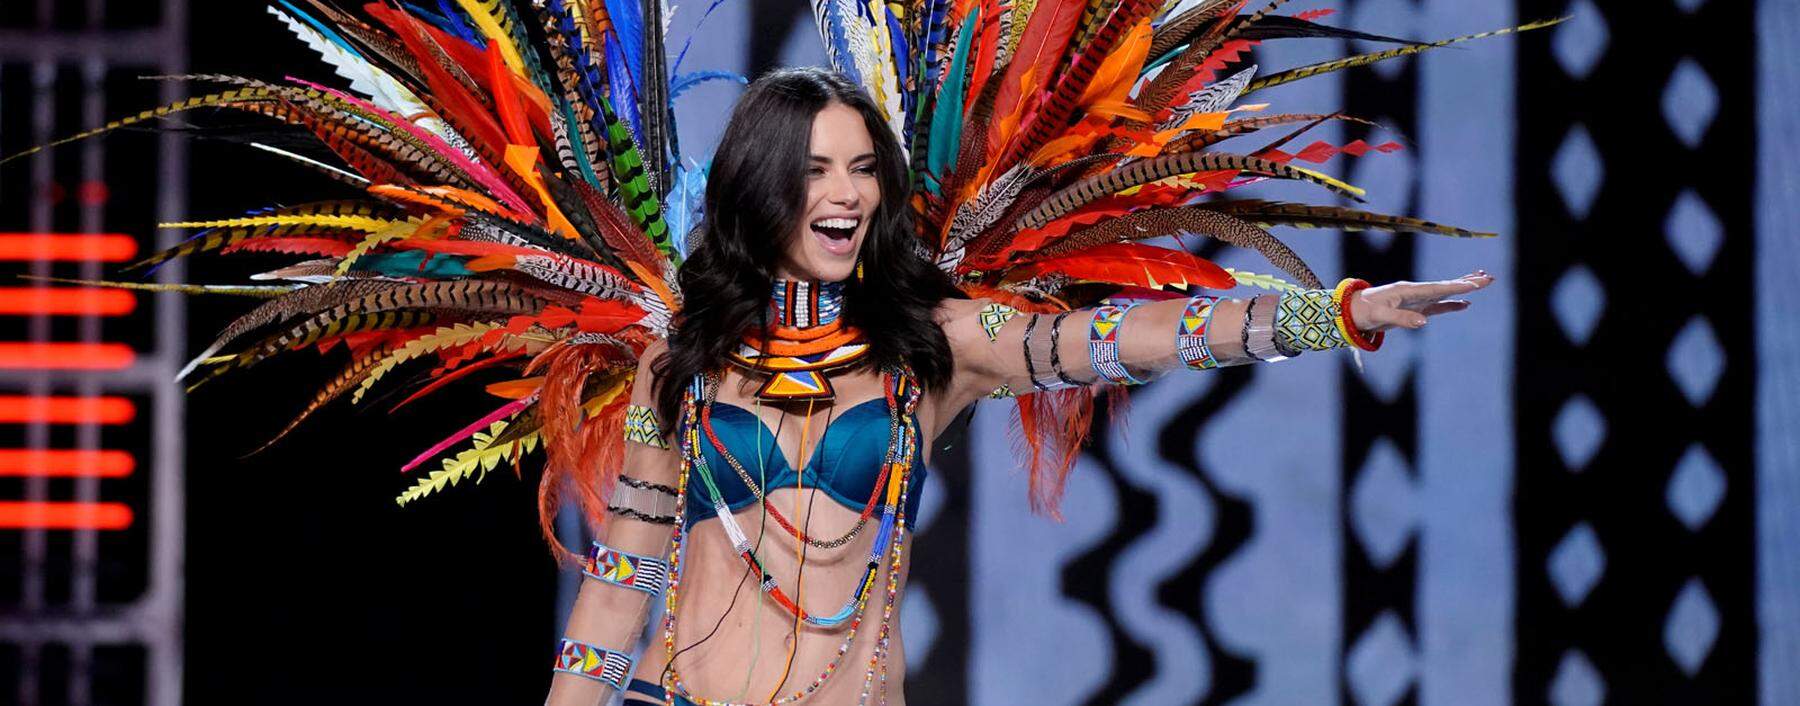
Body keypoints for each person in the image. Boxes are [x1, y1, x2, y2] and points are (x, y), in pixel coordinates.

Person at [544, 67, 1490, 706]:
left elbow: (1125, 338)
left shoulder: (935, 346)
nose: (847, 194)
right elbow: (618, 587)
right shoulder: (681, 368)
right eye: (816, 170)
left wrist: (1337, 314)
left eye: (864, 170)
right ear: (758, 187)